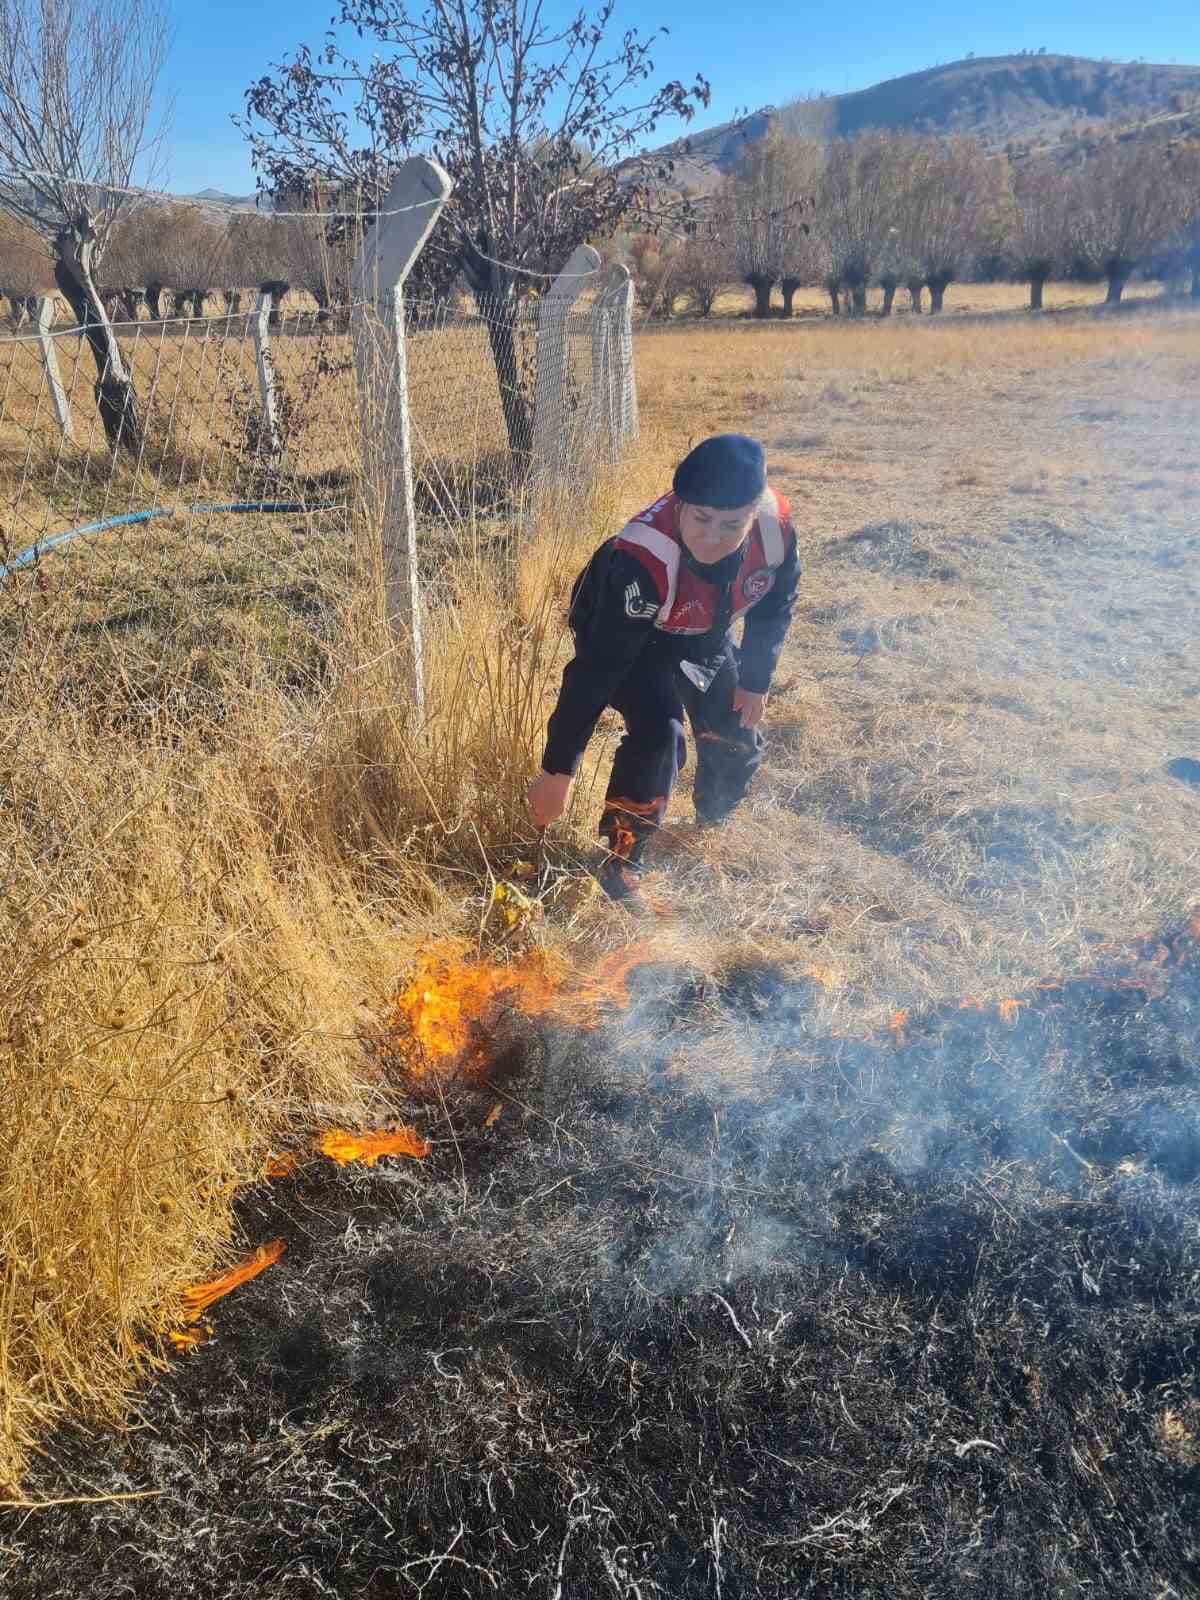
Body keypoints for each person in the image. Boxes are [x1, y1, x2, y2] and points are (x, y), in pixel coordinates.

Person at [526, 433, 800, 907]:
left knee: (733, 729)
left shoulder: (773, 531)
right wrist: (558, 772)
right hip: (629, 635)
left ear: (753, 513)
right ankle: (621, 863)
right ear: (680, 504)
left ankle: (712, 818)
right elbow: (596, 670)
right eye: (701, 518)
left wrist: (756, 680)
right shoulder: (643, 558)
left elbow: (775, 603)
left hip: (700, 630)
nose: (712, 537)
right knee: (659, 735)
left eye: (731, 523)